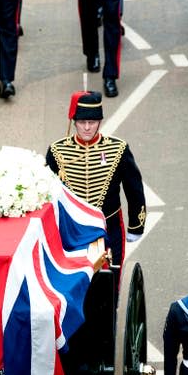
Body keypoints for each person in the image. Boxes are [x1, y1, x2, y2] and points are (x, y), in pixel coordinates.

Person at [46, 91, 145, 268]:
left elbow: (134, 188)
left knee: (110, 280)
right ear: (74, 122)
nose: (86, 128)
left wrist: (136, 226)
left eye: (92, 122)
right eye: (82, 122)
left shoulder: (118, 149)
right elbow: (47, 193)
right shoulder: (57, 151)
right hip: (71, 231)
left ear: (99, 122)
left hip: (109, 226)